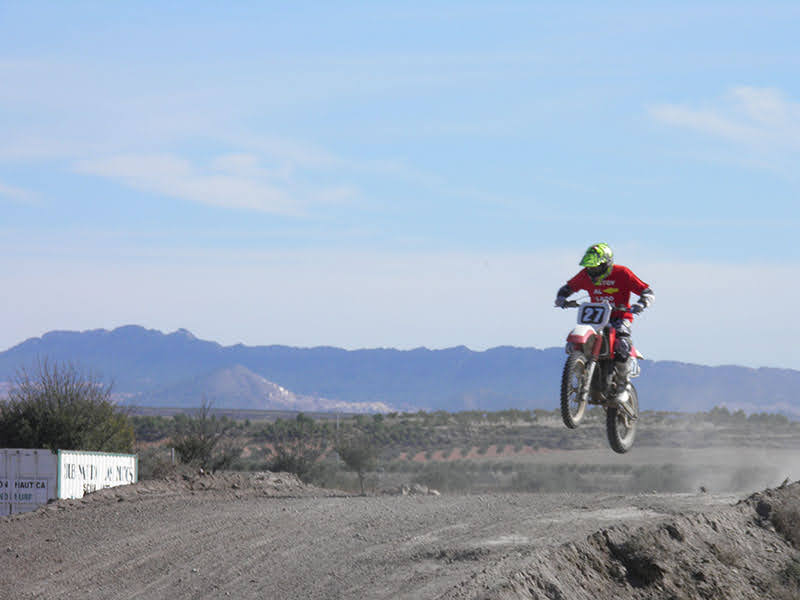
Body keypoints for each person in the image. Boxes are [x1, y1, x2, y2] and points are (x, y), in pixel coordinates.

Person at [554, 243, 654, 401]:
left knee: (622, 344)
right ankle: (581, 373)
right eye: (589, 267)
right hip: (595, 318)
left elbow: (646, 291)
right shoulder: (585, 275)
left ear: (606, 263)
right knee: (576, 344)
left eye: (594, 267)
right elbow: (568, 287)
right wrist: (561, 298)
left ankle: (623, 385)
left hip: (620, 317)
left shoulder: (622, 273)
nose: (591, 271)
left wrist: (641, 303)